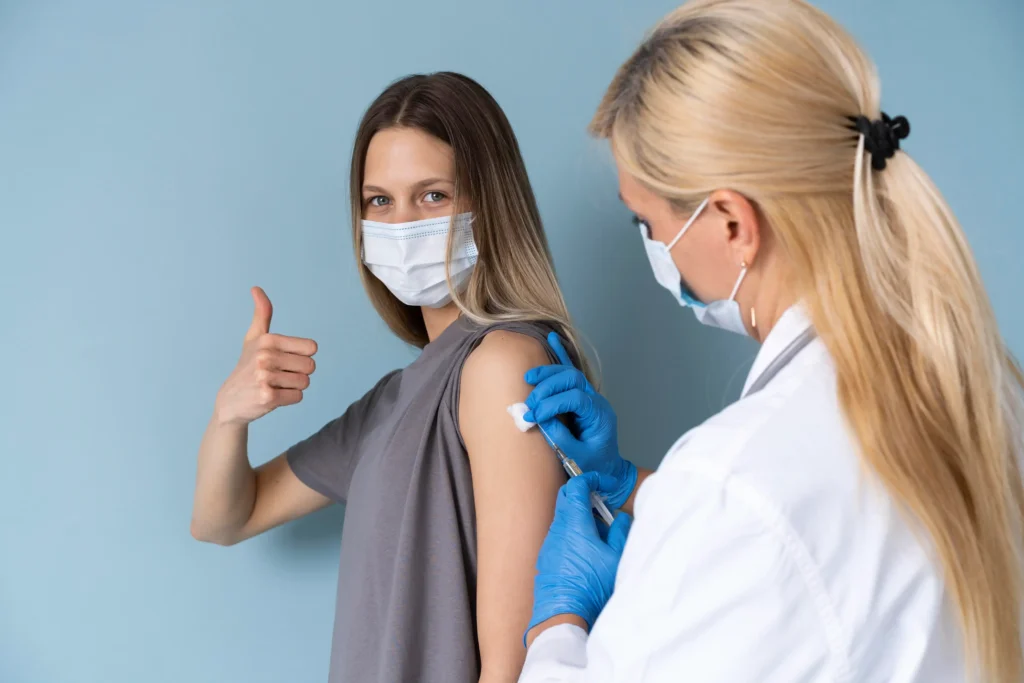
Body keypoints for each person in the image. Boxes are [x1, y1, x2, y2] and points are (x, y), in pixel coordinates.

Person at [515, 1, 1024, 682]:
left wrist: (558, 622)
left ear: (730, 223)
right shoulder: (983, 388)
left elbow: (771, 524)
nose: (654, 247)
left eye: (647, 221)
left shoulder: (737, 482)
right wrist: (632, 485)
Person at [190, 72, 593, 683]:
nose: (402, 224)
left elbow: (515, 662)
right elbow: (223, 520)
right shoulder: (394, 400)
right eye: (380, 200)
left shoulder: (501, 364)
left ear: (490, 202)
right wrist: (229, 415)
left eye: (433, 195)